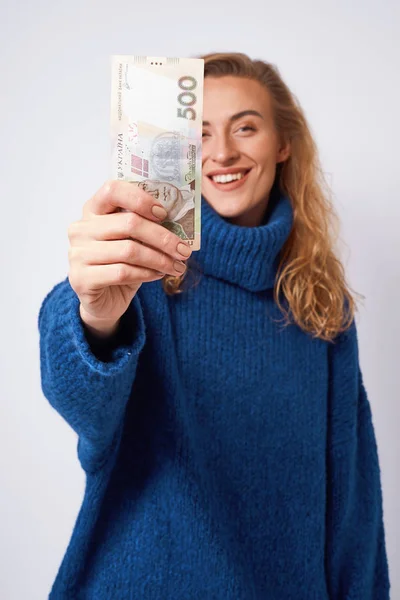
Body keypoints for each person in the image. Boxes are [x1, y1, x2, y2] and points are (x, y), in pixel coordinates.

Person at [38, 52, 390, 599]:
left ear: (283, 143)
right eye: (199, 134)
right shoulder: (138, 280)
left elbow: (352, 510)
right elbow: (82, 409)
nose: (222, 152)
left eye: (245, 127)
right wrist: (93, 315)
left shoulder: (322, 308)